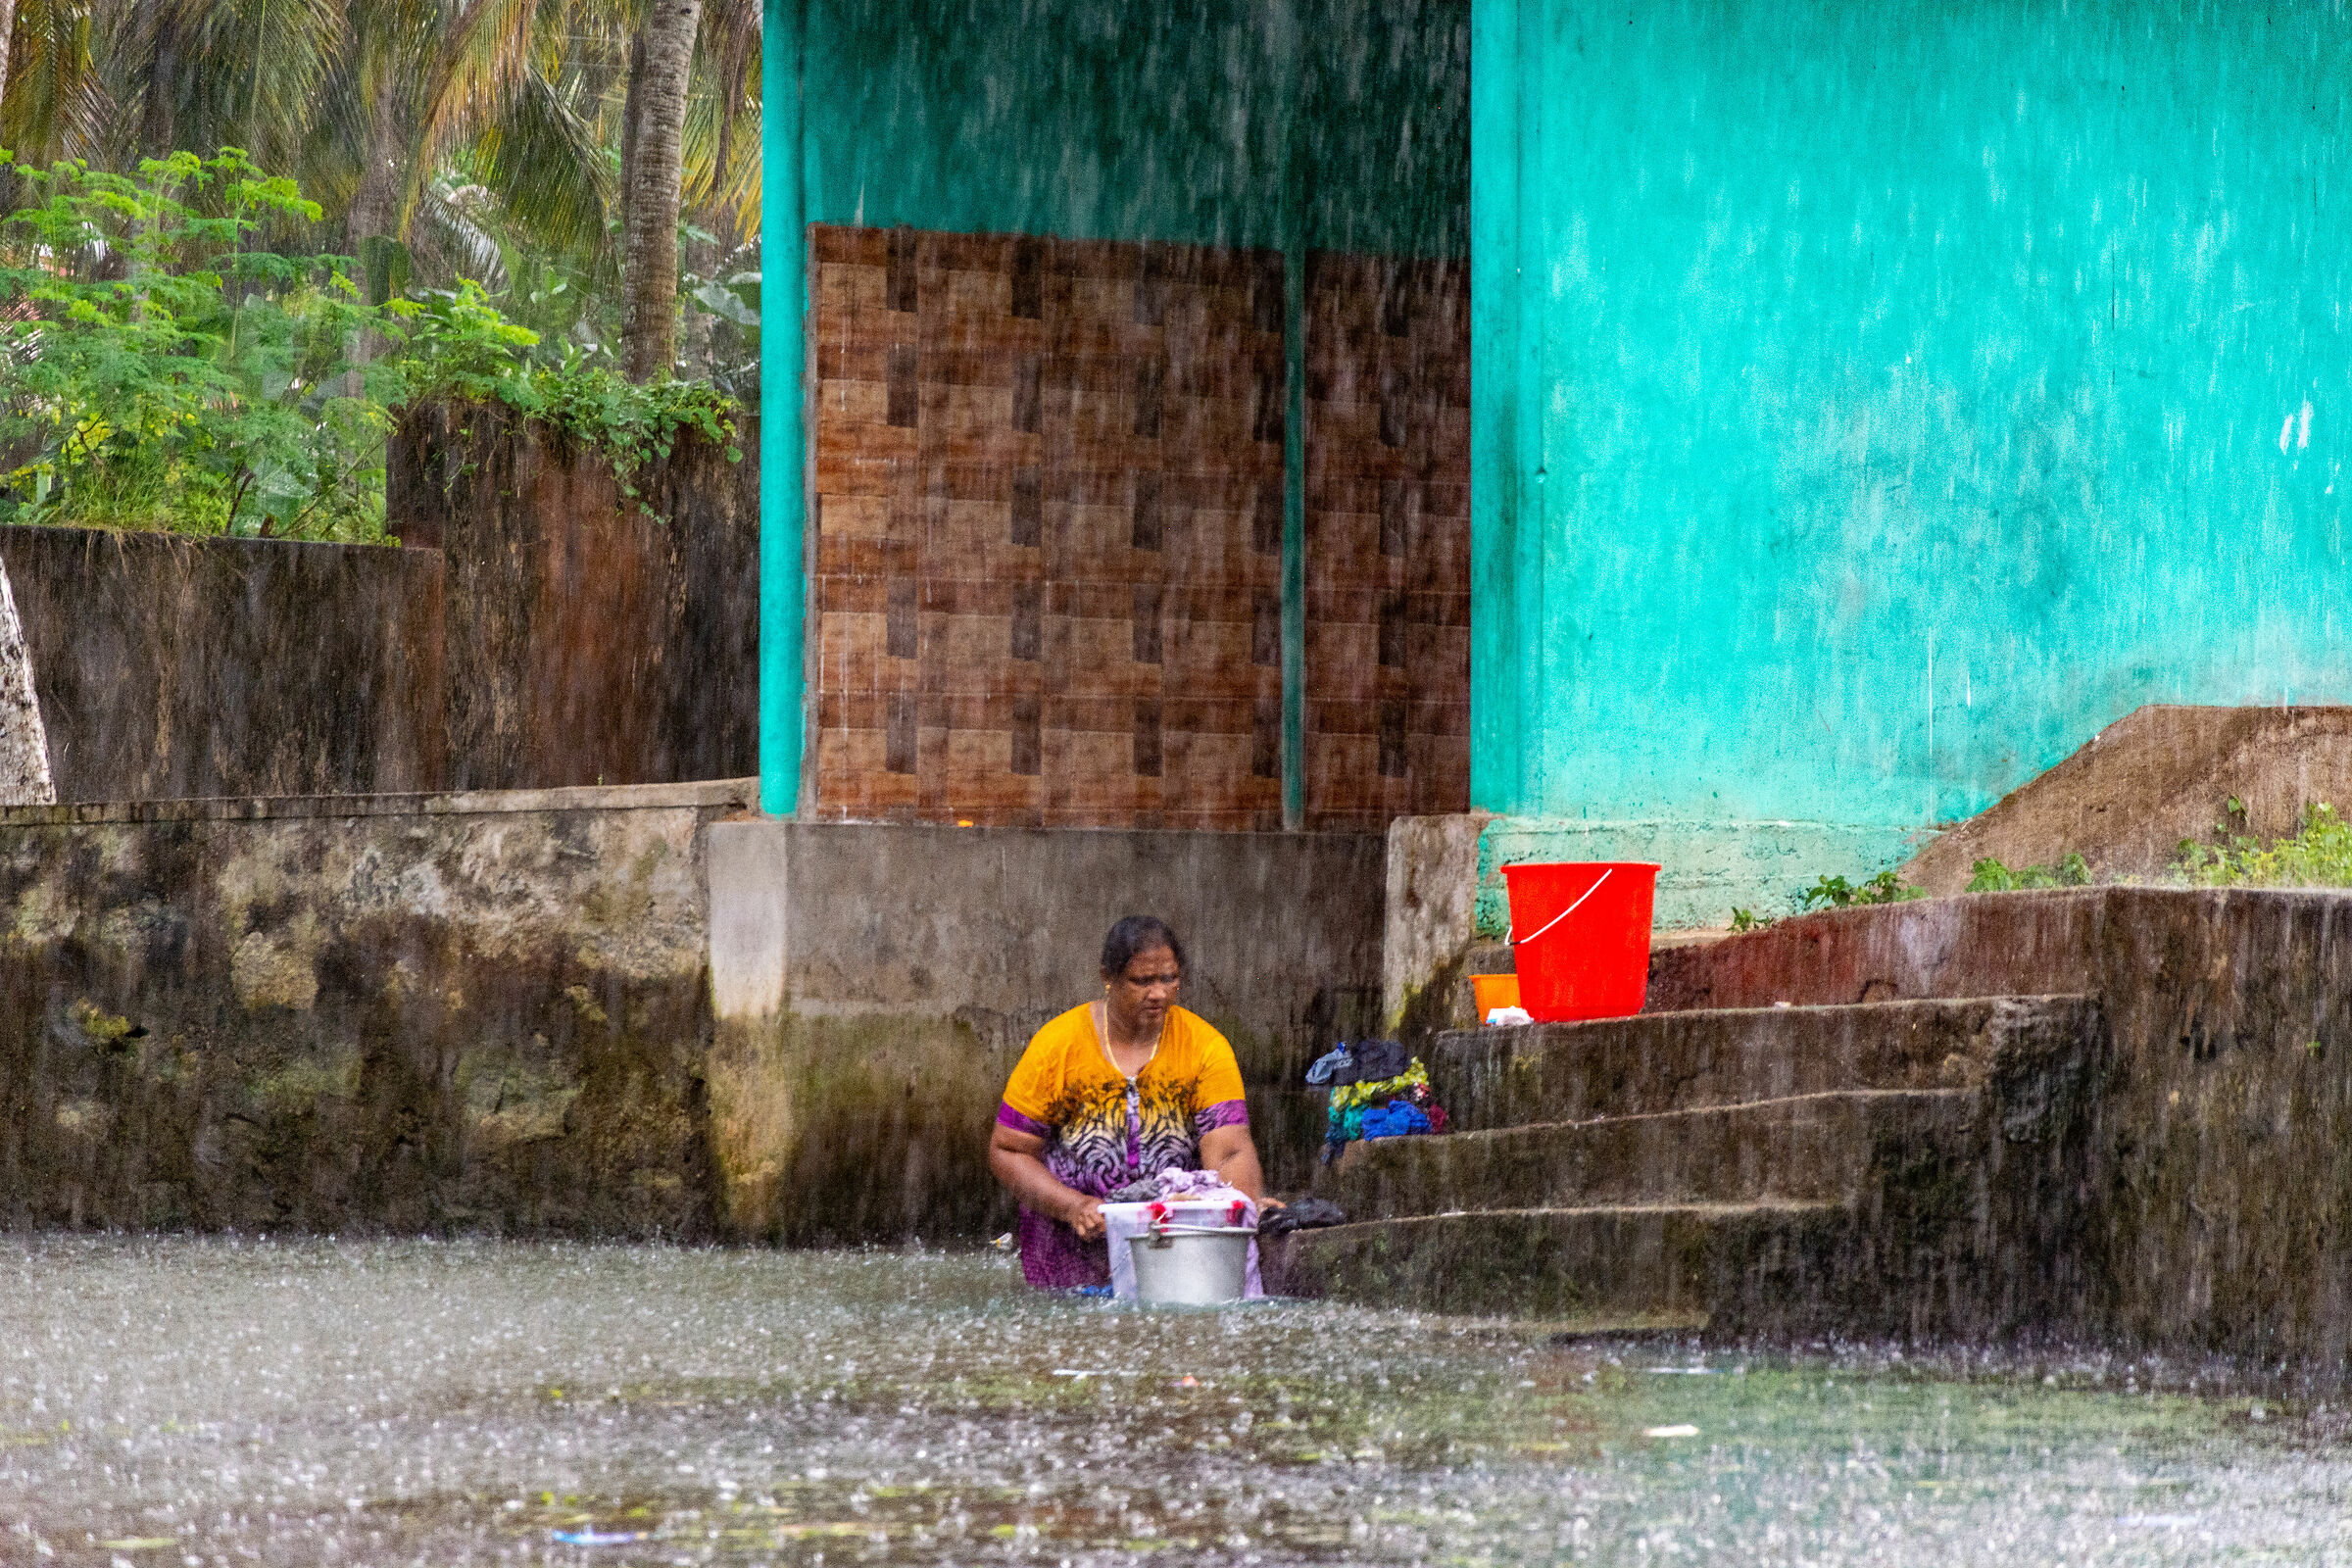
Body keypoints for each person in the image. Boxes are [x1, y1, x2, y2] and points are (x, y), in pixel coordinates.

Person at [989, 915, 1278, 1289]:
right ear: (1107, 977)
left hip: (1172, 1247)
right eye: (1142, 981)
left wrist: (1238, 1207)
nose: (1158, 993)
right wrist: (1073, 1206)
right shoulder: (1057, 1045)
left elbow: (1229, 1153)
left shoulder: (1205, 1047)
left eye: (1168, 979)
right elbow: (1008, 1149)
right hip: (1069, 1252)